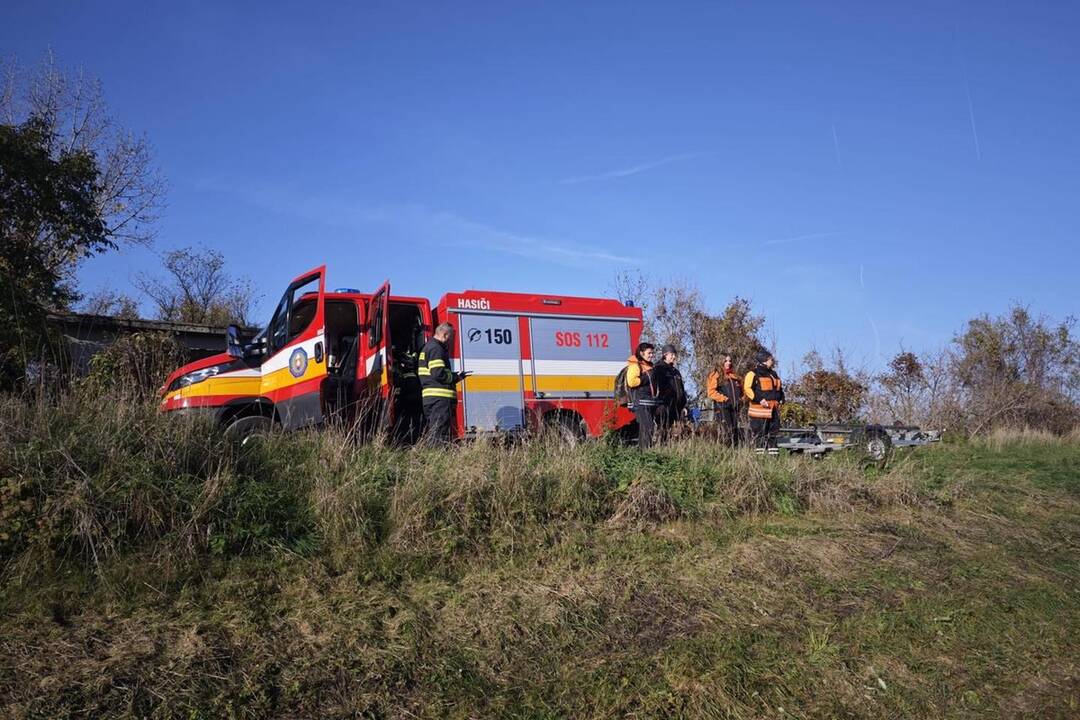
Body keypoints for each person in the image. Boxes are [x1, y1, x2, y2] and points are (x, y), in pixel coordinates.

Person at [418, 322, 471, 444]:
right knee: (439, 433)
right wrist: (455, 377)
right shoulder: (436, 349)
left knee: (435, 430)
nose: (450, 340)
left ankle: (433, 458)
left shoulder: (428, 347)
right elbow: (438, 373)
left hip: (431, 398)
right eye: (450, 337)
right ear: (445, 335)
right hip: (440, 399)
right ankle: (437, 459)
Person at [743, 350, 784, 455]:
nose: (772, 360)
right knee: (759, 433)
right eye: (770, 359)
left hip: (773, 409)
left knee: (773, 433)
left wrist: (782, 398)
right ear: (764, 360)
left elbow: (779, 388)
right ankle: (760, 458)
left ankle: (773, 458)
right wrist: (760, 400)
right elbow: (747, 389)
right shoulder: (752, 373)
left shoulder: (773, 374)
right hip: (759, 410)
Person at [626, 342, 661, 449]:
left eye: (652, 353)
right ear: (641, 353)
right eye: (649, 353)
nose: (651, 355)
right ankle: (645, 453)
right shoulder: (635, 365)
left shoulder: (650, 366)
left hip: (649, 402)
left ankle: (644, 453)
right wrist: (644, 378)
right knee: (648, 427)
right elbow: (631, 382)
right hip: (640, 402)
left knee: (647, 428)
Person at [652, 344, 687, 440]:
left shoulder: (676, 372)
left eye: (675, 355)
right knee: (662, 431)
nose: (674, 357)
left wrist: (684, 405)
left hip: (676, 407)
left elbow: (681, 390)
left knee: (676, 434)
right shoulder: (658, 369)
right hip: (663, 406)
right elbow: (654, 388)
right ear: (665, 355)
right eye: (672, 354)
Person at [706, 354, 742, 446]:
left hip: (734, 408)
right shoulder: (715, 375)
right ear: (720, 361)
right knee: (726, 431)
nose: (728, 363)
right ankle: (725, 452)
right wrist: (725, 399)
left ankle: (734, 454)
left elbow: (741, 391)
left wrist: (740, 400)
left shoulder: (734, 376)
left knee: (734, 431)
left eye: (730, 361)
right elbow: (711, 392)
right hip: (722, 408)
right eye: (726, 361)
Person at [392, 348, 423, 444]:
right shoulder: (415, 377)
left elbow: (401, 394)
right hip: (415, 407)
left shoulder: (406, 378)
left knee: (407, 426)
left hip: (408, 408)